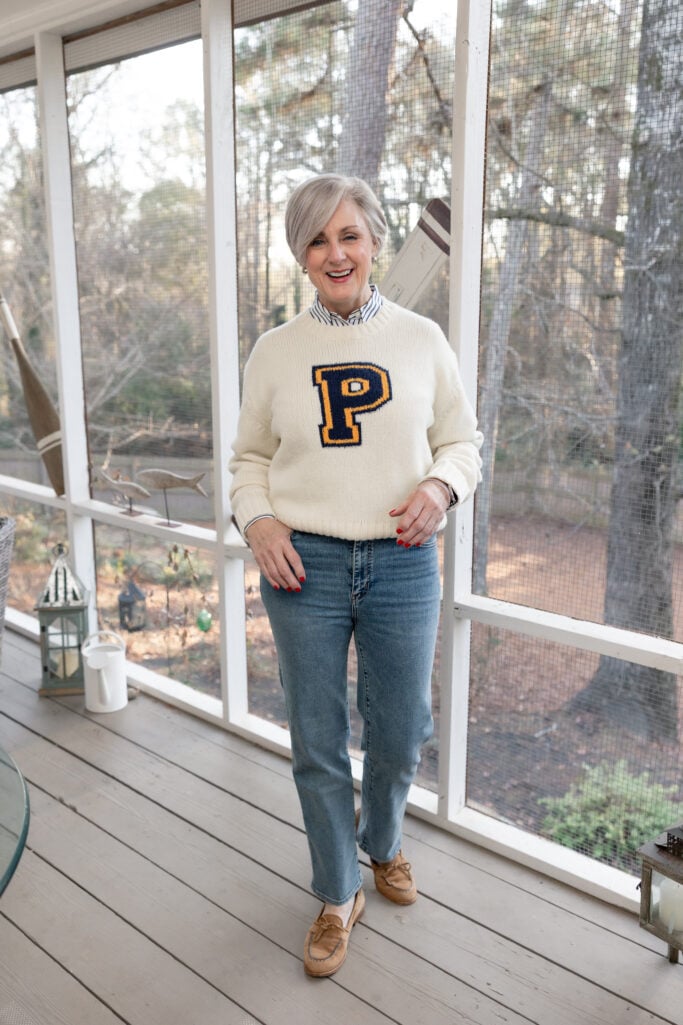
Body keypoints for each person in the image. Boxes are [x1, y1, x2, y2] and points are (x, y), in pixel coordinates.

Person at [229, 173, 482, 977]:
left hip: (402, 562)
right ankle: (338, 892)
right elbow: (248, 459)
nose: (334, 253)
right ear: (300, 254)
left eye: (348, 235)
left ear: (373, 241)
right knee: (317, 740)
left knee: (401, 730)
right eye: (315, 239)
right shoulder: (274, 352)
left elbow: (462, 442)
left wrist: (440, 487)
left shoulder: (422, 339)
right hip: (304, 565)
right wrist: (258, 519)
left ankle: (383, 841)